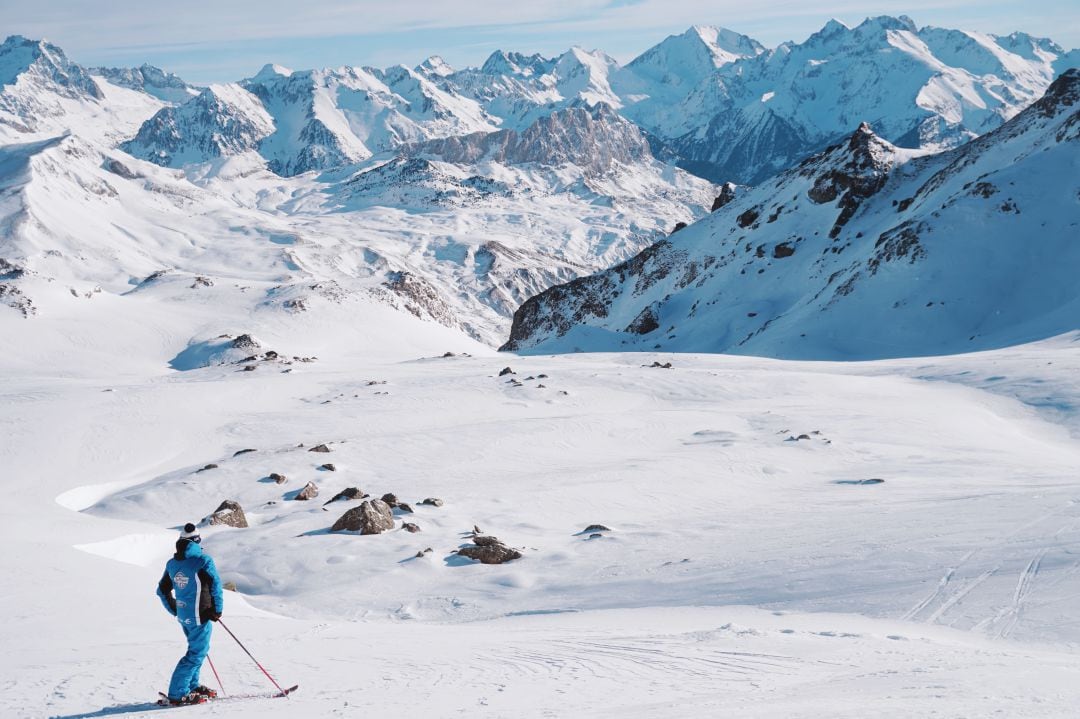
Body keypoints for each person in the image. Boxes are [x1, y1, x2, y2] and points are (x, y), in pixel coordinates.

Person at [156, 523, 224, 706]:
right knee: (196, 653)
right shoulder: (203, 561)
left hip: (184, 616)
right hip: (200, 615)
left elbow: (162, 590)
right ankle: (178, 693)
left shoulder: (172, 563)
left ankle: (191, 685)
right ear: (196, 541)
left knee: (196, 650)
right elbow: (216, 585)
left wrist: (175, 610)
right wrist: (217, 610)